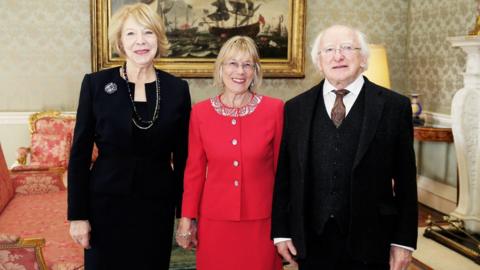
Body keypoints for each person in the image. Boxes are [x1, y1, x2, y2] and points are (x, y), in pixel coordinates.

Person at [271, 25, 418, 270]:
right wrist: (282, 232)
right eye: (329, 50)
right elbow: (285, 177)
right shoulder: (296, 108)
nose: (337, 56)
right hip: (312, 239)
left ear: (363, 59)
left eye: (347, 48)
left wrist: (403, 241)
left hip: (372, 241)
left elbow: (406, 180)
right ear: (319, 61)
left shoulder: (395, 107)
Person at [67, 3, 191, 269]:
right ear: (121, 43)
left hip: (156, 207)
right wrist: (77, 215)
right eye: (131, 34)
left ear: (158, 38)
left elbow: (184, 159)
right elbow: (78, 154)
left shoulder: (177, 89)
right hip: (105, 204)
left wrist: (185, 215)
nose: (141, 42)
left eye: (148, 33)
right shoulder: (96, 85)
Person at [176, 36, 283, 270]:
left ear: (255, 71)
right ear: (220, 68)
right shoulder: (200, 113)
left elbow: (283, 172)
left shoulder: (275, 109)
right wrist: (186, 220)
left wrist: (286, 225)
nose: (240, 71)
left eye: (247, 65)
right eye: (232, 63)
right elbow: (193, 171)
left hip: (262, 222)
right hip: (215, 221)